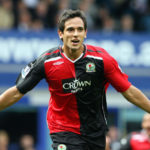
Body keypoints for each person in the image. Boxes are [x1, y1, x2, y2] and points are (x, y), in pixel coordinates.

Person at [0, 9, 150, 150]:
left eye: (79, 30)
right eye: (70, 30)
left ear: (85, 33)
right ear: (61, 33)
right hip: (62, 130)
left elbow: (128, 91)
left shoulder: (102, 60)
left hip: (95, 131)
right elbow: (16, 92)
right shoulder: (47, 62)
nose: (75, 34)